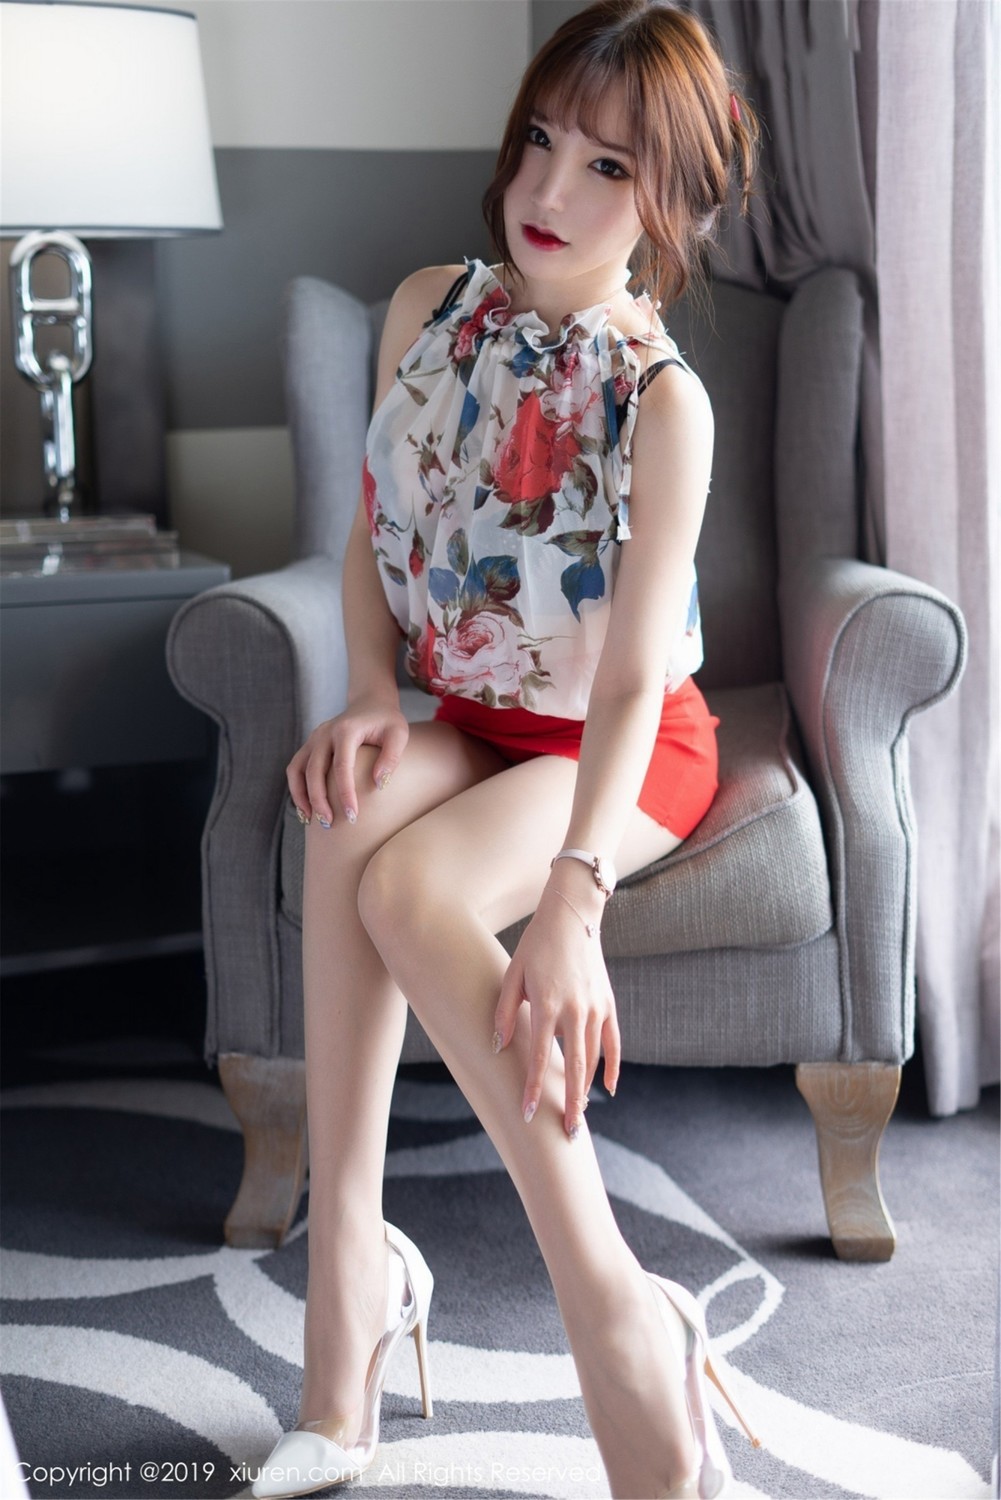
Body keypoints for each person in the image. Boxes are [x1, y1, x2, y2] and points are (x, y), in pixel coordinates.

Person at [254, 2, 762, 1496]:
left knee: (404, 890)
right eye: (542, 140)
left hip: (622, 752)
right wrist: (368, 688)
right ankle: (350, 1281)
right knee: (345, 803)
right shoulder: (430, 312)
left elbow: (630, 682)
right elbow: (374, 529)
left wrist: (575, 902)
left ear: (669, 204)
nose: (546, 191)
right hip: (477, 717)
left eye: (607, 167)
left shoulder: (663, 405)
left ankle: (612, 1309)